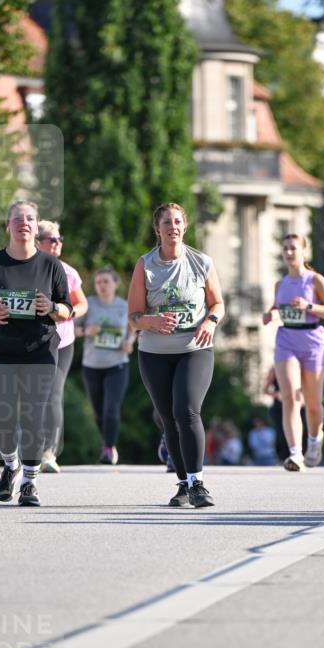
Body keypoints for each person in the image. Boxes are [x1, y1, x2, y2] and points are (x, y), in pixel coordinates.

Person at [0, 200, 72, 507]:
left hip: (39, 349)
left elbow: (67, 309)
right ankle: (10, 466)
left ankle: (29, 482)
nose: (23, 223)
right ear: (7, 226)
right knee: (2, 417)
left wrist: (51, 308)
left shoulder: (51, 265)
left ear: (36, 226)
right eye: (17, 218)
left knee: (33, 417)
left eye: (29, 219)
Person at [127, 202, 224, 507]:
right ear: (157, 229)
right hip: (154, 352)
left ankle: (198, 483)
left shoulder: (201, 262)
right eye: (166, 223)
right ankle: (183, 485)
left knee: (187, 409)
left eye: (178, 222)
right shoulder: (146, 264)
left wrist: (210, 321)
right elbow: (133, 317)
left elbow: (217, 303)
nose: (173, 227)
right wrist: (151, 321)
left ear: (186, 226)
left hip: (194, 348)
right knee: (168, 419)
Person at [262, 233, 324, 471]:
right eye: (285, 248)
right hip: (286, 340)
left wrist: (309, 306)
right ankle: (295, 453)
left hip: (313, 341)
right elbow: (278, 309)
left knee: (313, 403)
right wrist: (271, 314)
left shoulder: (315, 280)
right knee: (290, 398)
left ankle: (314, 441)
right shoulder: (280, 284)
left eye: (293, 248)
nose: (288, 253)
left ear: (304, 251)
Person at [35, 220, 88, 473]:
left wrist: (69, 312)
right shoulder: (27, 269)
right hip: (33, 340)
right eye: (52, 239)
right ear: (38, 242)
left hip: (63, 341)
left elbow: (82, 303)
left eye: (60, 239)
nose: (57, 243)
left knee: (54, 391)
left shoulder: (69, 272)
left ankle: (48, 452)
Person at [76, 265, 134, 465]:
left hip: (117, 365)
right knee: (99, 413)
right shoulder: (88, 304)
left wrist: (129, 342)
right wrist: (86, 331)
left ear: (115, 284)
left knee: (111, 408)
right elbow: (71, 330)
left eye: (106, 281)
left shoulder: (124, 306)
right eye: (98, 282)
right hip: (91, 365)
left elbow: (132, 328)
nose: (102, 286)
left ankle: (109, 449)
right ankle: (106, 443)